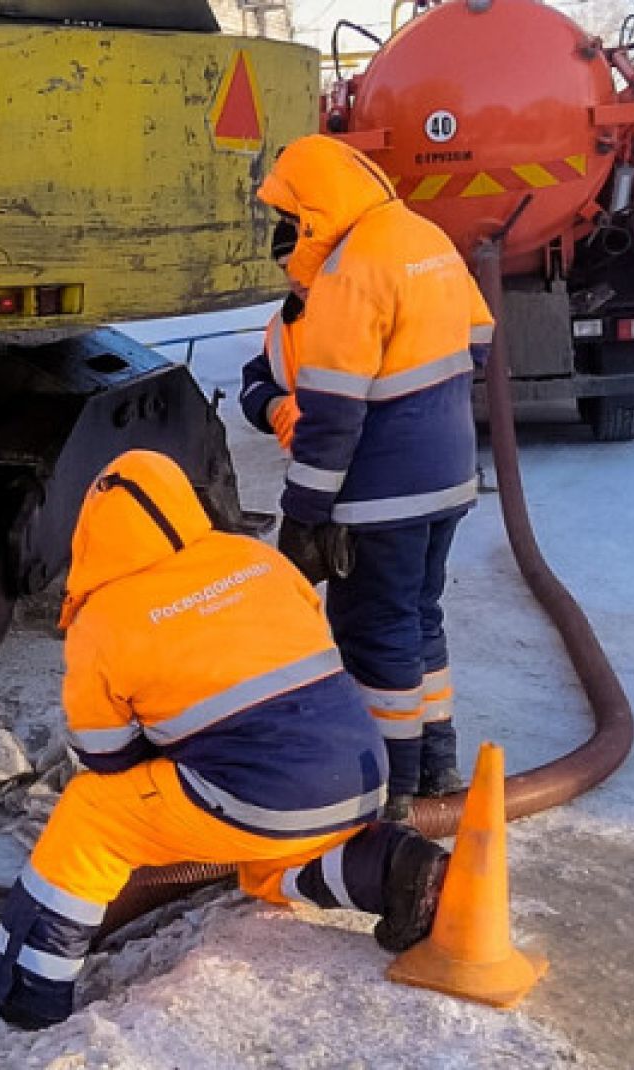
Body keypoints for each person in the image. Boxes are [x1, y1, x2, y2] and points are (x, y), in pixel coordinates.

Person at [0, 450, 450, 1029]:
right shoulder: (256, 559)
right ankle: (395, 867)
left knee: (90, 819)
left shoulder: (107, 616)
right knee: (265, 855)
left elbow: (106, 756)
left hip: (258, 793)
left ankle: (24, 991)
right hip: (360, 774)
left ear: (94, 537)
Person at [239, 135, 495, 822]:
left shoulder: (352, 271)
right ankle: (437, 759)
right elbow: (478, 338)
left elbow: (333, 415)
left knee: (373, 630)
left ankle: (391, 788)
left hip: (383, 494)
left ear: (316, 213)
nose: (284, 236)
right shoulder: (422, 236)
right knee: (417, 617)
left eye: (289, 221)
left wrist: (306, 513)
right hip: (446, 480)